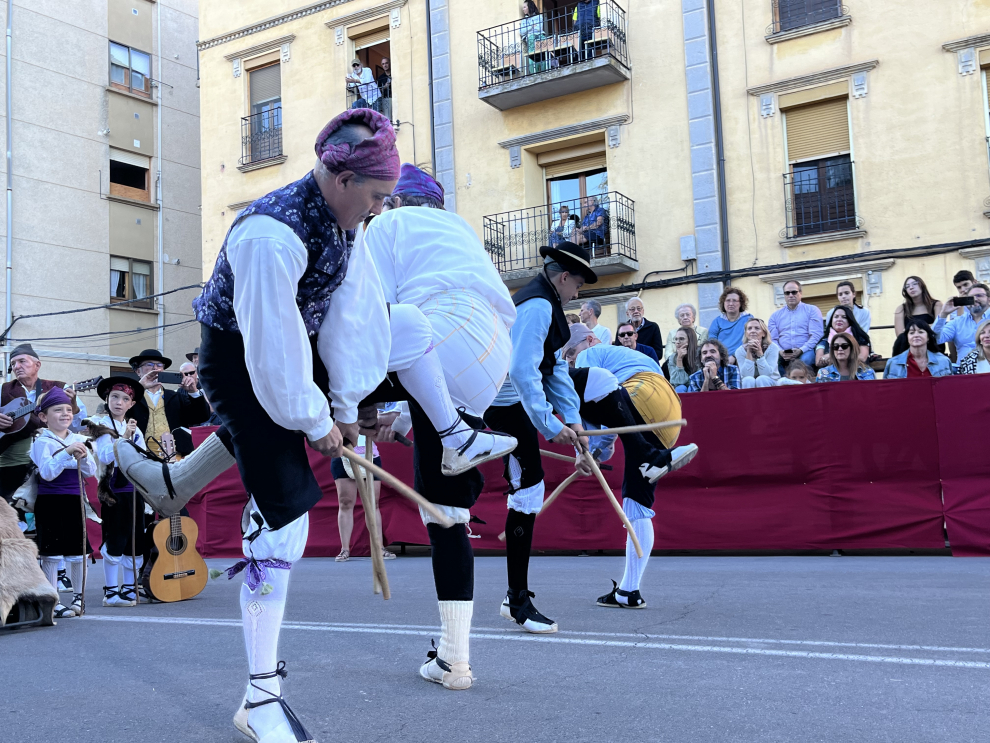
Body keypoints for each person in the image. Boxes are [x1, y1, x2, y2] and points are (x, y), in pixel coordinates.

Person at [117, 109, 402, 743]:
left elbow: (348, 316)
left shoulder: (344, 220)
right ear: (344, 177)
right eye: (378, 197)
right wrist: (313, 418)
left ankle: (174, 484)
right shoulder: (270, 235)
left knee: (391, 348)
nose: (380, 210)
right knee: (286, 521)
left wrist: (347, 409)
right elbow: (271, 356)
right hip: (240, 357)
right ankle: (260, 699)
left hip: (291, 347)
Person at [349, 163, 522, 690]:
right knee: (449, 511)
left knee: (300, 382)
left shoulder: (385, 226)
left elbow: (372, 311)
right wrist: (395, 416)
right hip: (490, 359)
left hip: (437, 333)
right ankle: (454, 658)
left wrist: (355, 405)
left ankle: (187, 474)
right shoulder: (461, 231)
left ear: (395, 201)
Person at [485, 241, 595, 636]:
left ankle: (514, 595)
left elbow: (555, 369)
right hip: (499, 403)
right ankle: (517, 600)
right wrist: (551, 425)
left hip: (514, 401)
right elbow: (521, 370)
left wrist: (576, 421)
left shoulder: (548, 305)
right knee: (527, 491)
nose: (578, 294)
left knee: (529, 492)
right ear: (564, 277)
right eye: (578, 285)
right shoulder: (538, 306)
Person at [560, 324, 698, 610]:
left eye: (571, 354)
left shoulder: (593, 352)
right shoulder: (624, 356)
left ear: (588, 339)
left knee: (571, 385)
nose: (571, 361)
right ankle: (628, 591)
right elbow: (611, 424)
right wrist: (596, 451)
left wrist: (584, 449)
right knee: (636, 506)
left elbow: (598, 392)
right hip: (664, 417)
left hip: (641, 394)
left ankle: (652, 457)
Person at [0, 343, 87, 567]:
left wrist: (73, 403)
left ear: (37, 365)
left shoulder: (57, 388)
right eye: (13, 364)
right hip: (11, 462)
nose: (16, 367)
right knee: (10, 516)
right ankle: (16, 566)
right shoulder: (3, 389)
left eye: (22, 362)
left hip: (52, 459)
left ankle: (58, 571)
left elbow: (77, 424)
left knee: (53, 518)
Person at [30, 387, 97, 619]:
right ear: (43, 417)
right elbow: (47, 473)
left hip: (75, 501)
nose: (65, 414)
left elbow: (91, 473)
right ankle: (52, 599)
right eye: (58, 410)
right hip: (50, 502)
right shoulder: (41, 441)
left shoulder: (80, 439)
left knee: (78, 552)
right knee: (52, 552)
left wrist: (85, 457)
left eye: (68, 410)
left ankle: (79, 598)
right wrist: (66, 452)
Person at [89, 377, 147, 607]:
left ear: (131, 404)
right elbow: (104, 456)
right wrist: (124, 439)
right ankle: (111, 591)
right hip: (113, 491)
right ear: (107, 399)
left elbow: (142, 456)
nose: (119, 402)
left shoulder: (134, 427)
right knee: (116, 539)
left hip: (134, 490)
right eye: (114, 397)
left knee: (135, 540)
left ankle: (130, 588)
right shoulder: (100, 425)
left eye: (125, 399)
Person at [128, 349, 210, 459]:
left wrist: (193, 391)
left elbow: (202, 416)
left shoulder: (175, 397)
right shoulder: (131, 397)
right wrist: (138, 388)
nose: (155, 368)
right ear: (138, 371)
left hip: (175, 458)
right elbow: (117, 413)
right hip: (140, 458)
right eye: (150, 364)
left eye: (159, 365)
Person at [331, 433, 393, 563]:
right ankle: (345, 549)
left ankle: (379, 548)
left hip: (369, 454)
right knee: (345, 503)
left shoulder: (370, 412)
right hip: (343, 454)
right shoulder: (338, 411)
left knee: (372, 503)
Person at [769, 280, 823, 376]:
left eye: (794, 292)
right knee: (771, 360)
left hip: (805, 351)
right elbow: (772, 339)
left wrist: (801, 350)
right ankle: (784, 384)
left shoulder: (812, 310)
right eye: (787, 293)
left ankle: (802, 385)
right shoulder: (775, 316)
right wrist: (780, 351)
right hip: (782, 352)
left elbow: (816, 335)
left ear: (800, 293)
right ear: (784, 295)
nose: (790, 295)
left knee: (806, 359)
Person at [932, 283, 989, 362]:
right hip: (964, 370)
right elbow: (935, 339)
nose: (975, 299)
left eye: (979, 295)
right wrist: (943, 314)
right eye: (971, 297)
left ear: (989, 299)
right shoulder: (957, 322)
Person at [883, 318, 953, 379]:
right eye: (912, 333)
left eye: (921, 332)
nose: (916, 335)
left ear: (928, 337)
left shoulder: (943, 361)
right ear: (907, 338)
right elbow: (887, 391)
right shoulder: (893, 363)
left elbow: (948, 388)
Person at [892, 276, 943, 356]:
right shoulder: (901, 309)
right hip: (909, 345)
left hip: (932, 343)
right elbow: (900, 334)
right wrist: (928, 326)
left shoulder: (936, 304)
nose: (911, 288)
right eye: (907, 286)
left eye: (914, 284)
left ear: (922, 285)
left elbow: (938, 327)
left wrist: (912, 330)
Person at [707, 287, 752, 366]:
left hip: (743, 359)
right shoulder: (717, 322)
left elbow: (751, 341)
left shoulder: (749, 319)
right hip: (721, 361)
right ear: (723, 303)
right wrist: (721, 358)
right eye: (728, 300)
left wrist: (735, 356)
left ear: (741, 303)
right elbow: (712, 343)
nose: (731, 304)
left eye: (734, 300)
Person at [736, 318, 781, 388]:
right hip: (749, 383)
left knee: (762, 379)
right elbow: (746, 375)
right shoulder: (740, 351)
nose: (753, 331)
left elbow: (767, 374)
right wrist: (749, 352)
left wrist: (759, 353)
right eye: (749, 328)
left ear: (764, 333)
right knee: (747, 380)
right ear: (746, 333)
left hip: (770, 381)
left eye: (757, 328)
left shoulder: (773, 348)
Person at [660, 326, 699, 392]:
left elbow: (697, 382)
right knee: (680, 388)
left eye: (681, 339)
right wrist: (679, 359)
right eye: (676, 339)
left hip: (698, 389)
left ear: (690, 341)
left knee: (691, 388)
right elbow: (678, 382)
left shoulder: (700, 355)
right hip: (680, 390)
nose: (677, 342)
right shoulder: (673, 358)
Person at [520, 1, 547, 74]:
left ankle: (544, 71)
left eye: (525, 7)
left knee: (543, 53)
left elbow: (539, 28)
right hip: (530, 37)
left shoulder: (539, 16)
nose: (523, 9)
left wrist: (528, 29)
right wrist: (531, 26)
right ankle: (534, 73)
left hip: (540, 36)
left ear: (530, 7)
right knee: (532, 55)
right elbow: (522, 32)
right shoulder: (524, 20)